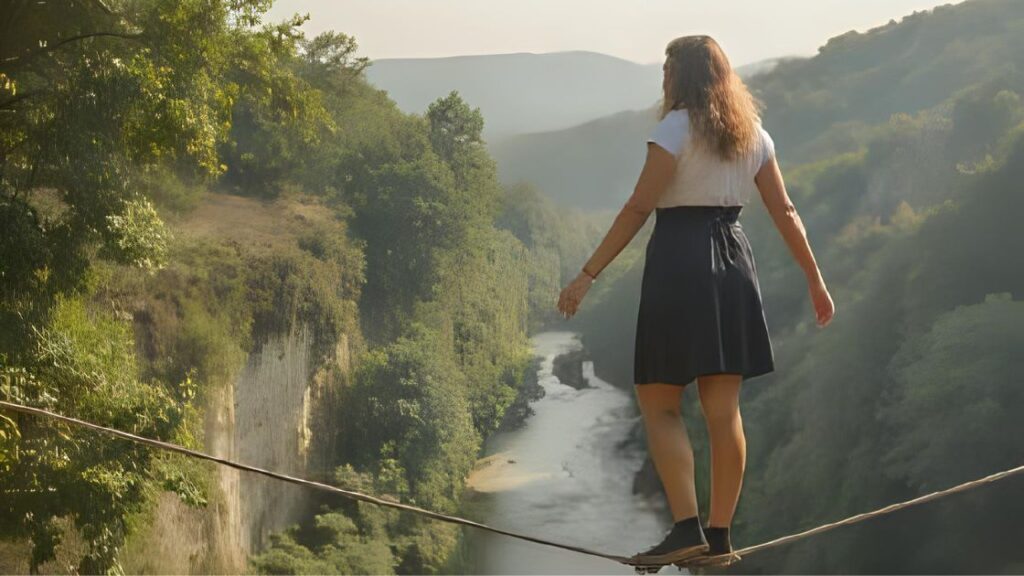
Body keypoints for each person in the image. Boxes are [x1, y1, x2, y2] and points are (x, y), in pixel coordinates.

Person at [556, 35, 835, 567]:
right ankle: (721, 535)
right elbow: (786, 211)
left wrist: (587, 274)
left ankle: (686, 528)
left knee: (659, 401)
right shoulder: (754, 134)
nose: (662, 80)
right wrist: (815, 278)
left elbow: (639, 208)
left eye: (667, 71)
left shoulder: (674, 129)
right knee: (723, 408)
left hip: (680, 260)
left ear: (678, 78)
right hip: (734, 260)